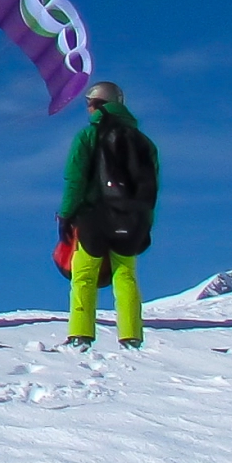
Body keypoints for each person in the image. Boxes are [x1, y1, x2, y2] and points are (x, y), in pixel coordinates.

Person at [57, 81, 158, 351]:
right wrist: (146, 224)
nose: (87, 108)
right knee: (125, 275)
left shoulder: (87, 136)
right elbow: (151, 188)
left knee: (84, 275)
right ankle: (131, 336)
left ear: (98, 104)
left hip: (93, 217)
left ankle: (80, 334)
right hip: (131, 219)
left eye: (89, 103)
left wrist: (66, 215)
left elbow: (74, 179)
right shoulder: (144, 142)